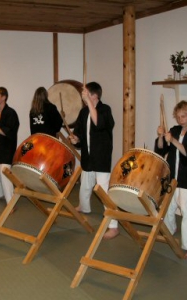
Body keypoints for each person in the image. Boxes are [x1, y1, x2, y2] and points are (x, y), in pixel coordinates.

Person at [68, 81, 119, 239]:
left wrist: (89, 103)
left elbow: (99, 124)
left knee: (104, 191)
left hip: (101, 156)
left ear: (95, 96)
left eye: (87, 94)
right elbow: (80, 135)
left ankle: (113, 225)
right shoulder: (83, 113)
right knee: (85, 185)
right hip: (88, 157)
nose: (83, 96)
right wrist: (76, 140)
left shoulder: (105, 110)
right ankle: (84, 207)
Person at [154, 100, 187, 259]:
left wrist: (173, 140)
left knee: (185, 210)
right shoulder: (174, 130)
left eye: (183, 116)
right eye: (178, 116)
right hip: (172, 176)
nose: (180, 119)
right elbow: (162, 148)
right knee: (168, 206)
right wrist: (161, 136)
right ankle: (169, 230)